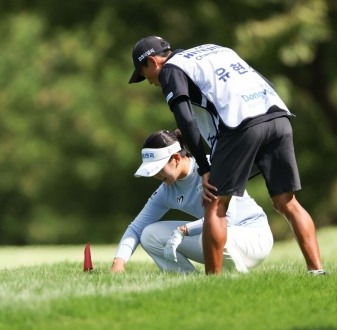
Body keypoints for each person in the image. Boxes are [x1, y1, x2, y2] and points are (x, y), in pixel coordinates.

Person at [128, 36, 325, 275]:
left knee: (214, 204)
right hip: (277, 114)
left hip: (240, 125)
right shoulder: (214, 49)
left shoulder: (170, 69)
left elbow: (185, 119)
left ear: (152, 61)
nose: (149, 81)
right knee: (287, 202)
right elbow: (262, 81)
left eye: (143, 73)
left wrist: (203, 166)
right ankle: (317, 271)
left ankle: (214, 280)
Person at [111, 130, 273, 273]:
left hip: (254, 237)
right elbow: (136, 228)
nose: (155, 176)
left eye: (158, 169)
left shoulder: (211, 166)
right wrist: (119, 262)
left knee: (211, 234)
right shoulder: (166, 190)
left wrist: (185, 230)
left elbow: (227, 219)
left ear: (175, 158)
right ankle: (189, 281)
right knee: (149, 234)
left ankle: (237, 278)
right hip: (218, 240)